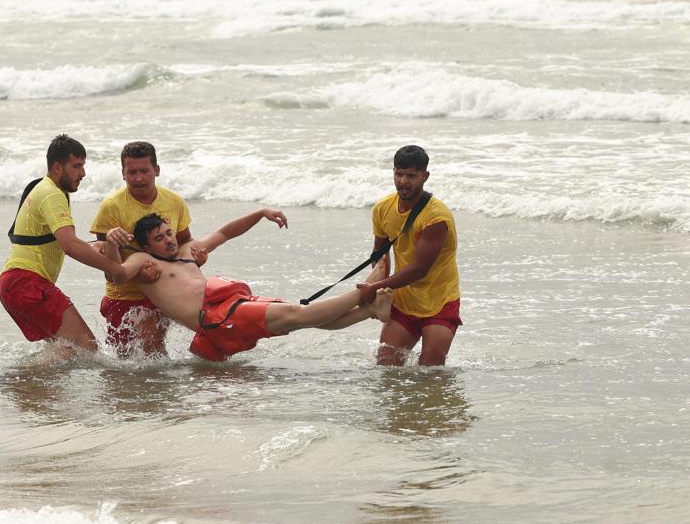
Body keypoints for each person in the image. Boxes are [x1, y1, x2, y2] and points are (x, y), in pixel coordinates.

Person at [116, 211, 391, 361]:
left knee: (300, 320)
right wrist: (114, 247)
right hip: (217, 320)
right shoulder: (144, 261)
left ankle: (371, 311)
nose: (168, 240)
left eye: (168, 233)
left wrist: (260, 214)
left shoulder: (188, 252)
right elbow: (116, 274)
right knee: (298, 314)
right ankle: (364, 290)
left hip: (228, 311)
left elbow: (224, 233)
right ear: (146, 245)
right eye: (159, 239)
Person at [0, 134, 126, 353]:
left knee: (67, 350)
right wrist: (116, 269)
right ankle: (23, 380)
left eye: (83, 166)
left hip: (14, 285)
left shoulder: (43, 188)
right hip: (27, 283)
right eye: (76, 166)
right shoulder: (52, 194)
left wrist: (94, 247)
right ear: (57, 167)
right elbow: (70, 245)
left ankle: (27, 384)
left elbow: (60, 241)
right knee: (87, 348)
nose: (83, 173)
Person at [356, 145, 461, 366]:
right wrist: (380, 290)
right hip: (404, 300)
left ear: (425, 176)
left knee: (431, 372)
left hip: (439, 301)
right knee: (386, 367)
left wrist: (374, 288)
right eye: (398, 174)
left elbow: (420, 269)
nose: (403, 181)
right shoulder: (383, 208)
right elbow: (380, 254)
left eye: (411, 176)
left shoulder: (436, 217)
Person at [90, 141, 193, 356]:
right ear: (123, 174)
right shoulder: (112, 206)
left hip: (160, 289)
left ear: (156, 170)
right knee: (125, 360)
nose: (138, 178)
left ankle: (162, 389)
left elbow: (185, 242)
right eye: (132, 172)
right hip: (123, 294)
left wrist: (196, 258)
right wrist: (110, 242)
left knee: (154, 347)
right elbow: (103, 258)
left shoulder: (174, 202)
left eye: (144, 171)